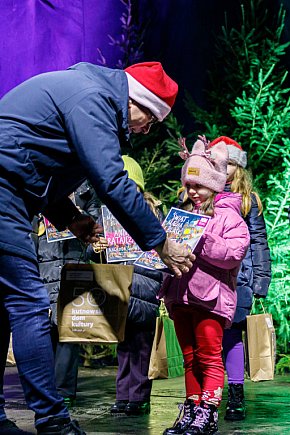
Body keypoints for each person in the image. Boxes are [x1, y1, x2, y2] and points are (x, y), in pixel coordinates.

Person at [0, 61, 195, 435]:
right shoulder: (93, 99)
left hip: (11, 187)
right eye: (149, 120)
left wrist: (72, 216)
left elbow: (41, 158)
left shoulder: (86, 91)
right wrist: (161, 242)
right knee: (29, 304)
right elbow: (111, 179)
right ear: (136, 101)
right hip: (4, 189)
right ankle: (54, 421)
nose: (145, 130)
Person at [160, 138, 250, 435]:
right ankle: (191, 406)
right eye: (188, 185)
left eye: (198, 185)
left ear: (214, 184)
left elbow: (233, 254)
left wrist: (203, 236)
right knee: (189, 356)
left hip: (210, 298)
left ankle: (208, 411)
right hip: (180, 295)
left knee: (209, 356)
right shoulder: (181, 214)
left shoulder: (229, 216)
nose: (192, 192)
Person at [209, 136, 271, 421]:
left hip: (238, 279)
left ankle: (235, 395)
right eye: (221, 162)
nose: (225, 167)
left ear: (239, 167)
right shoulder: (201, 193)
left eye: (231, 163)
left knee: (233, 336)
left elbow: (258, 240)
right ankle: (207, 395)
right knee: (208, 336)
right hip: (207, 275)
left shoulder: (248, 200)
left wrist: (261, 280)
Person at [36, 180, 105, 409]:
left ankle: (64, 391)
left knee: (70, 328)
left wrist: (89, 245)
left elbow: (97, 228)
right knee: (45, 330)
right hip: (46, 264)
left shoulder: (87, 191)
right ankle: (45, 388)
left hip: (75, 264)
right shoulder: (46, 185)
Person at [108, 156, 163, 416]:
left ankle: (138, 397)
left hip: (144, 285)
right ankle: (122, 395)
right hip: (118, 286)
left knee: (141, 346)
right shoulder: (109, 213)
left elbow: (163, 247)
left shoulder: (151, 210)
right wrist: (95, 247)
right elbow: (91, 251)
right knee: (123, 344)